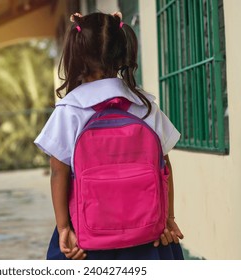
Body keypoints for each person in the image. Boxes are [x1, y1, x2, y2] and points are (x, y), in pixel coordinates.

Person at [34, 11, 184, 260]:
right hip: (147, 235)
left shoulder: (71, 109)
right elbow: (164, 166)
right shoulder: (145, 105)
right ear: (123, 53)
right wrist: (167, 219)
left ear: (76, 55)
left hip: (89, 237)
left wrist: (64, 228)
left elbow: (58, 171)